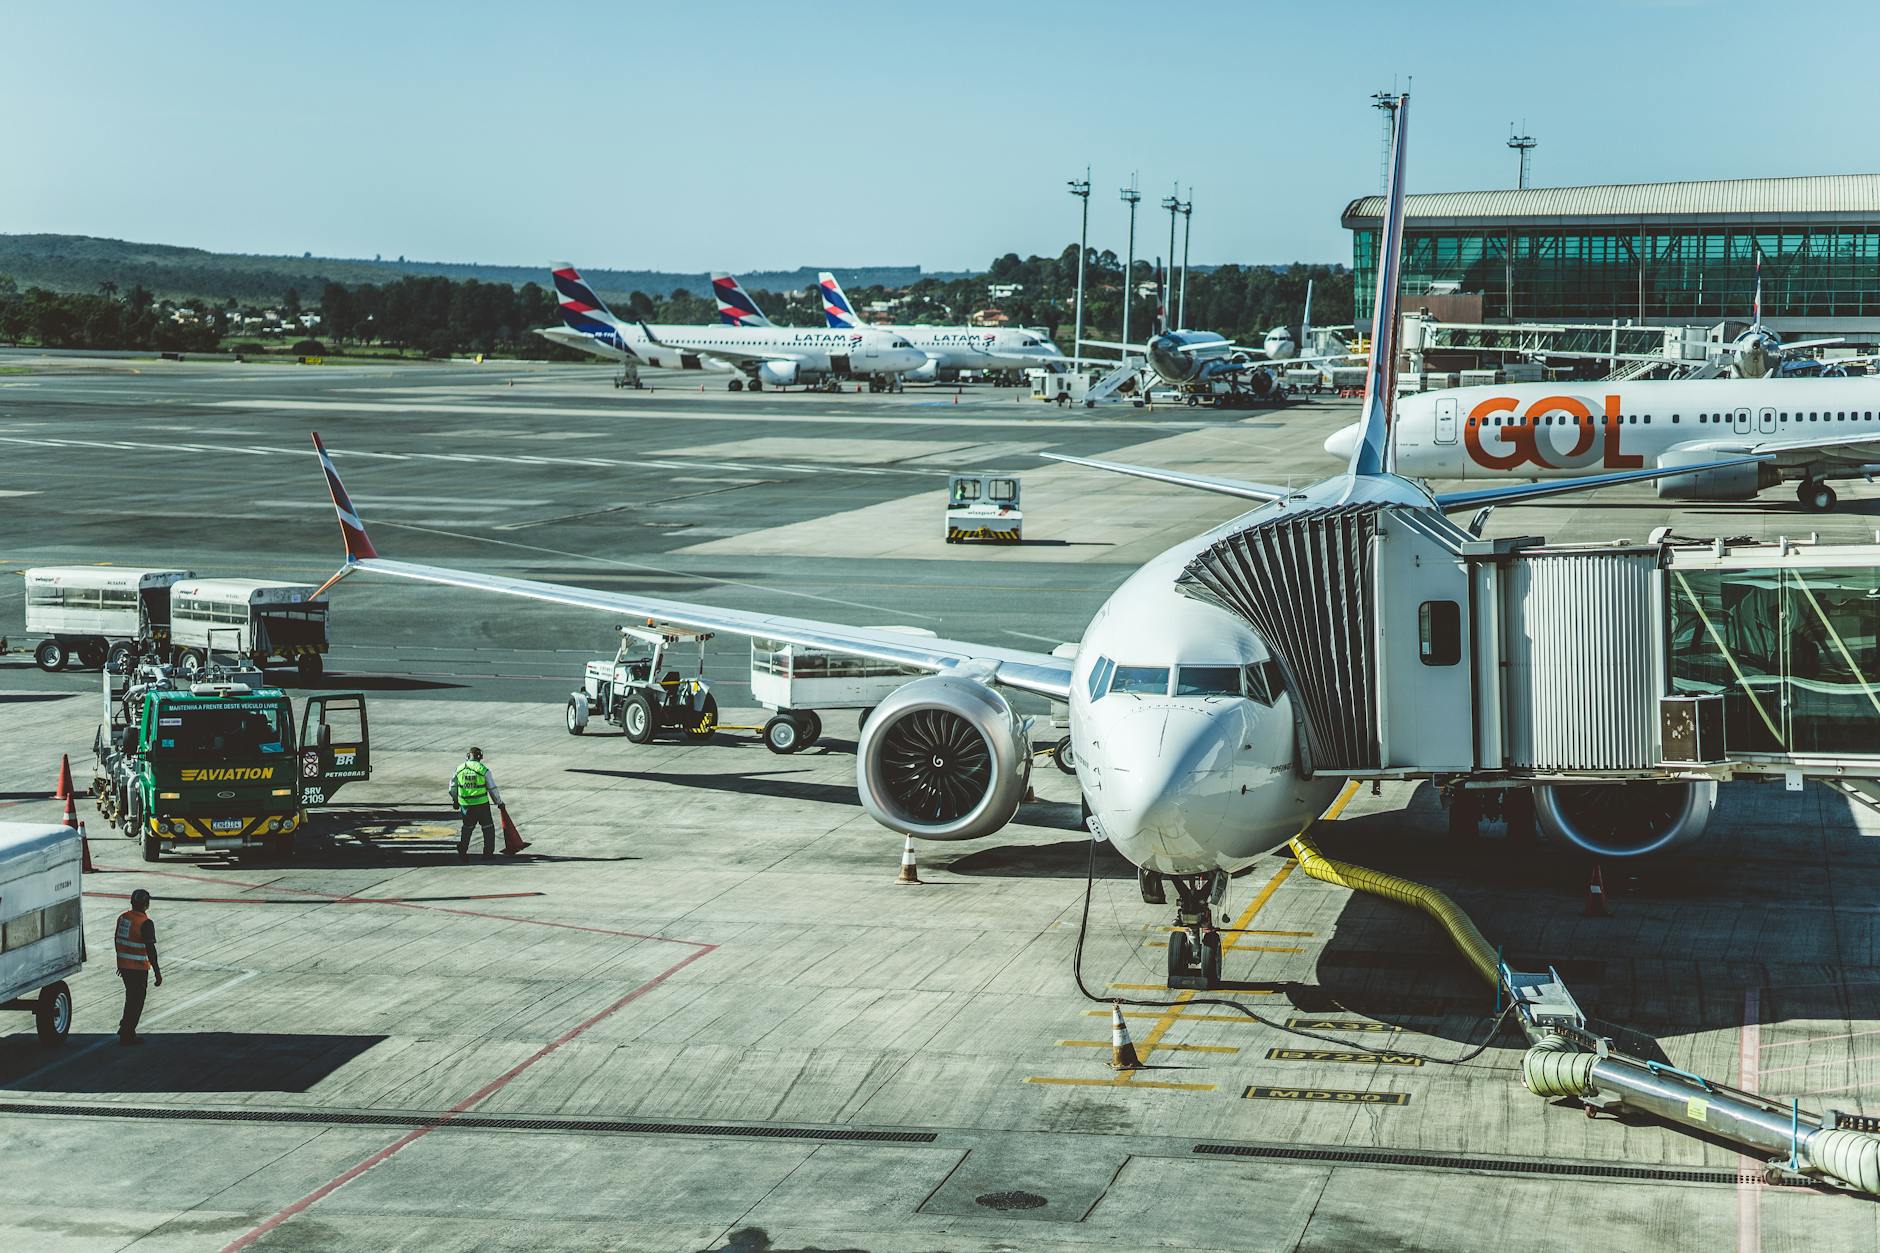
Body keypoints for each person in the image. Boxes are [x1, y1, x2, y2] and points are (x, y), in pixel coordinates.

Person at [115, 889, 162, 1045]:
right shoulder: (145, 923)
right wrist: (157, 972)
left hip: (124, 966)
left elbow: (117, 940)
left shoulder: (123, 918)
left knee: (131, 998)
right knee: (137, 1001)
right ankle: (128, 1033)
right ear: (146, 904)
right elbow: (151, 950)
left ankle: (126, 1027)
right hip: (138, 968)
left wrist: (120, 963)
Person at [450, 746, 504, 860]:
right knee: (488, 828)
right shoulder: (483, 770)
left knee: (467, 828)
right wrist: (499, 802)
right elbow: (492, 788)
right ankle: (488, 854)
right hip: (481, 805)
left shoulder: (459, 769)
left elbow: (452, 787)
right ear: (480, 758)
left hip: (466, 805)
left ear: (468, 756)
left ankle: (463, 850)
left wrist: (455, 800)